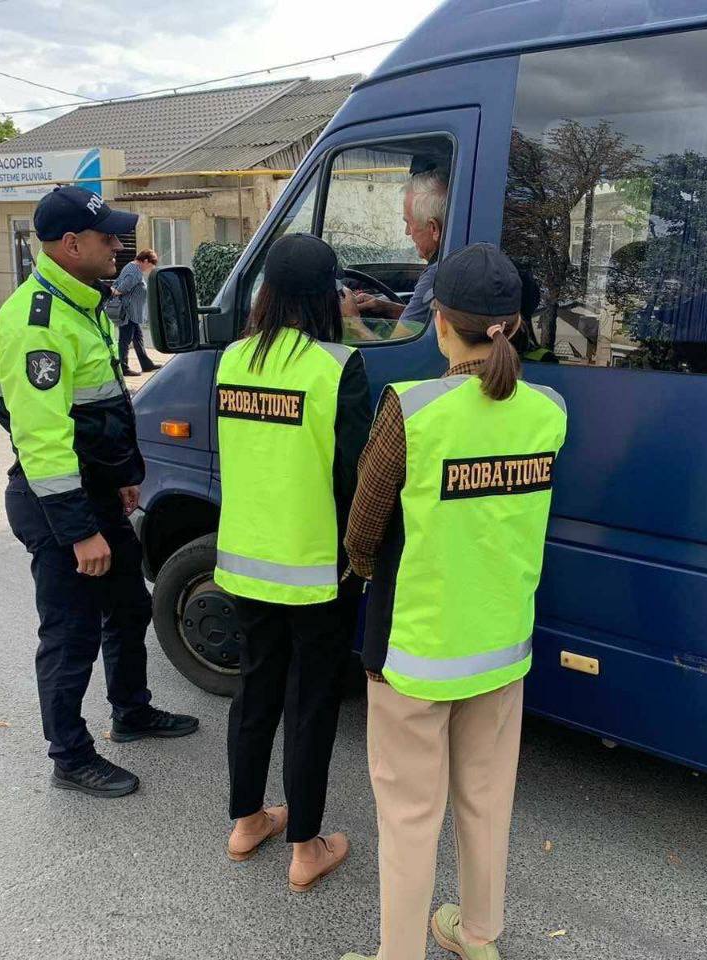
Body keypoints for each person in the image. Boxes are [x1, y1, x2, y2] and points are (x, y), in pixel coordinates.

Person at [341, 243, 568, 960]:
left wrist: (367, 570)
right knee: (487, 800)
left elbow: (362, 531)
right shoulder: (549, 410)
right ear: (516, 325)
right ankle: (477, 936)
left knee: (410, 815)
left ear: (440, 321)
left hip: (416, 651)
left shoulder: (411, 409)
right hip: (501, 645)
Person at [0, 185, 198, 799]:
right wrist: (81, 532)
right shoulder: (38, 323)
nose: (118, 247)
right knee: (70, 633)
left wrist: (124, 475)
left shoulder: (82, 304)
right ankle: (70, 756)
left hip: (97, 494)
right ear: (71, 244)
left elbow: (103, 410)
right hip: (59, 507)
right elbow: (43, 439)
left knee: (128, 608)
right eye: (108, 237)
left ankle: (131, 711)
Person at [216, 233, 372, 892]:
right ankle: (306, 847)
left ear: (268, 292)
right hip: (314, 572)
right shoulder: (338, 366)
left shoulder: (232, 359)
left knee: (255, 690)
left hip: (246, 561)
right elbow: (355, 478)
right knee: (310, 705)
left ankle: (247, 821)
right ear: (326, 296)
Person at [352, 167, 448, 340]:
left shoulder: (437, 276)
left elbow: (396, 349)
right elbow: (426, 322)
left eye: (409, 223)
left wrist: (352, 321)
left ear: (433, 228)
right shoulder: (453, 263)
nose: (407, 232)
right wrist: (386, 308)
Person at [110, 249, 160, 376]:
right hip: (129, 312)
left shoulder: (131, 267)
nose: (149, 269)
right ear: (145, 261)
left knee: (138, 338)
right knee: (125, 340)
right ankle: (123, 367)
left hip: (133, 312)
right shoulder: (135, 272)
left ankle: (146, 364)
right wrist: (114, 292)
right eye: (150, 266)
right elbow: (121, 288)